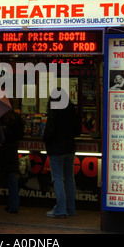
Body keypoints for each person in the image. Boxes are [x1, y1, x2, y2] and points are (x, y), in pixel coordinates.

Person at [43, 88, 81, 218]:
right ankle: (71, 209)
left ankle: (60, 209)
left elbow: (48, 133)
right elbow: (77, 131)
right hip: (69, 148)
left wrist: (46, 139)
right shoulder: (72, 111)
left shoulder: (54, 112)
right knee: (69, 178)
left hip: (56, 149)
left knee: (58, 179)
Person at [0, 109, 24, 213]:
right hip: (12, 151)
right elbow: (20, 135)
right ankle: (14, 206)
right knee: (12, 180)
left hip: (0, 151)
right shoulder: (17, 118)